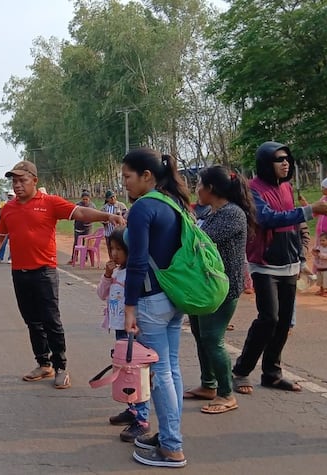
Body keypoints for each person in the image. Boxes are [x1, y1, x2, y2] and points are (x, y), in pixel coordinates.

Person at [0, 160, 124, 391]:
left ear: (35, 181)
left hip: (44, 272)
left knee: (51, 320)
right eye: (14, 181)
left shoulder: (50, 203)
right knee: (31, 320)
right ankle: (44, 363)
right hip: (19, 273)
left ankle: (61, 366)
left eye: (22, 180)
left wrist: (107, 217)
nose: (17, 185)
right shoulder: (9, 209)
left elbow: (81, 213)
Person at [233, 142, 327, 396]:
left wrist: (301, 253)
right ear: (264, 163)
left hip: (289, 263)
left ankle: (272, 373)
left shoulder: (287, 188)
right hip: (264, 264)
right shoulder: (252, 190)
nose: (286, 163)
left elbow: (293, 221)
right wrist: (310, 210)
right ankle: (240, 371)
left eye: (288, 159)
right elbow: (266, 218)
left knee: (283, 322)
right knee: (268, 317)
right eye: (279, 159)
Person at [119, 148, 189, 467]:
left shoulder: (143, 207)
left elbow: (136, 261)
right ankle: (168, 435)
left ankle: (172, 446)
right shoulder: (173, 203)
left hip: (150, 300)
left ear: (147, 176)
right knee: (171, 369)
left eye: (127, 177)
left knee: (160, 373)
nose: (124, 184)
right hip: (174, 297)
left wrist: (129, 306)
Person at [183, 166, 256, 417]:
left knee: (213, 339)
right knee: (200, 335)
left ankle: (226, 393)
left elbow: (199, 242)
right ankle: (208, 385)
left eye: (199, 185)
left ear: (210, 188)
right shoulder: (213, 212)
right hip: (204, 285)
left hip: (222, 287)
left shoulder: (232, 214)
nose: (196, 190)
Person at [97, 228, 151, 442]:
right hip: (120, 329)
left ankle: (142, 419)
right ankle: (132, 409)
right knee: (126, 372)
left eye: (120, 249)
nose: (114, 254)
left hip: (133, 331)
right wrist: (107, 276)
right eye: (112, 249)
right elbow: (101, 294)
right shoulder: (117, 272)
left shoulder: (135, 273)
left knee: (136, 373)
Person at [68, 190, 96, 265]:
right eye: (83, 199)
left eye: (86, 199)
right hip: (78, 227)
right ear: (81, 199)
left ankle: (85, 258)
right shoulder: (78, 205)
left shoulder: (92, 206)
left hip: (88, 227)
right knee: (76, 243)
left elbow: (94, 215)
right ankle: (74, 257)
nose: (85, 201)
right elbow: (73, 214)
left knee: (86, 243)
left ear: (89, 199)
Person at [0, 190, 16, 264]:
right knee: (2, 243)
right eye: (9, 195)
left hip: (14, 226)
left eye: (11, 195)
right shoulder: (4, 203)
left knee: (13, 243)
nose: (10, 197)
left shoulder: (17, 203)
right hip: (5, 226)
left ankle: (11, 258)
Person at [102, 190, 127, 255]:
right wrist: (105, 221)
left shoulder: (121, 205)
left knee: (121, 248)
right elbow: (101, 219)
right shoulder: (104, 208)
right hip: (108, 232)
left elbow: (126, 217)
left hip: (119, 232)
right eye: (111, 197)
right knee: (110, 249)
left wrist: (120, 216)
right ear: (107, 199)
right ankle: (112, 262)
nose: (113, 198)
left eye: (114, 196)